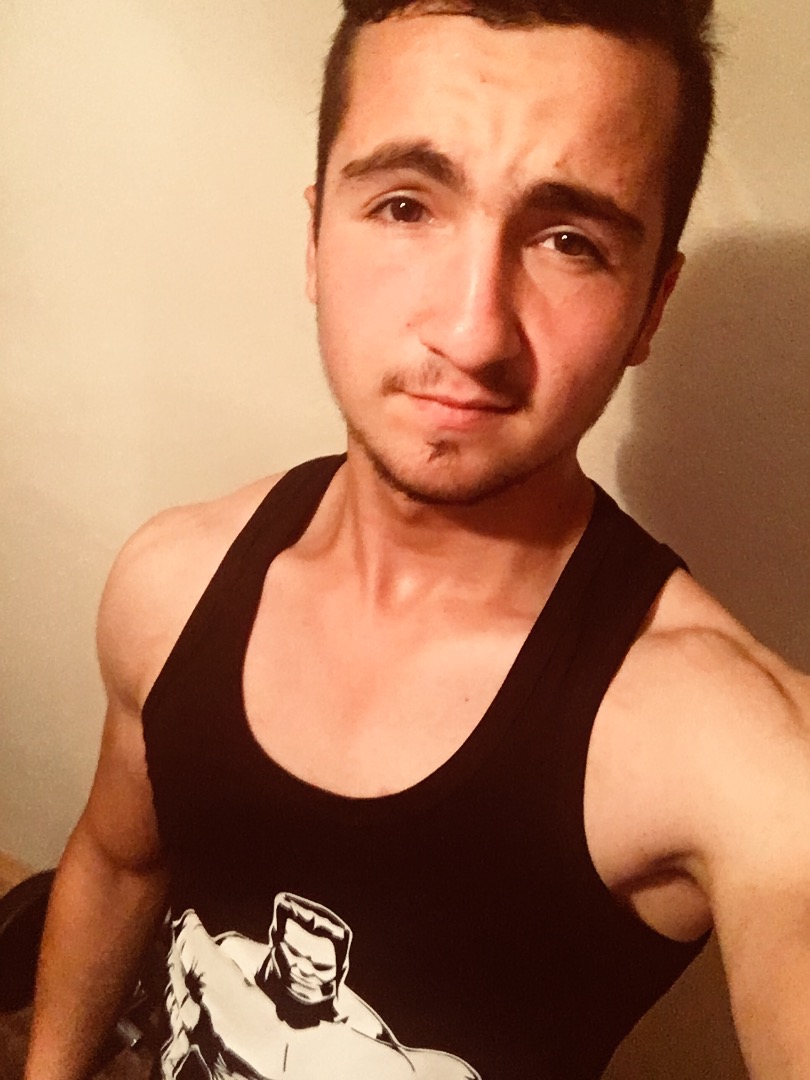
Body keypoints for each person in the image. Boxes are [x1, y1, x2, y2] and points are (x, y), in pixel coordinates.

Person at [25, 1, 810, 1078]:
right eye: (405, 206)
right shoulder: (171, 583)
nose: (471, 331)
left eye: (571, 241)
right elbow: (118, 867)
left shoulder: (735, 750)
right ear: (314, 239)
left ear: (650, 307)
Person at [160, 896, 478, 1078]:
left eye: (320, 967)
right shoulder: (228, 956)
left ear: (339, 973)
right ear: (275, 941)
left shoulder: (362, 1030)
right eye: (294, 955)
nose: (303, 971)